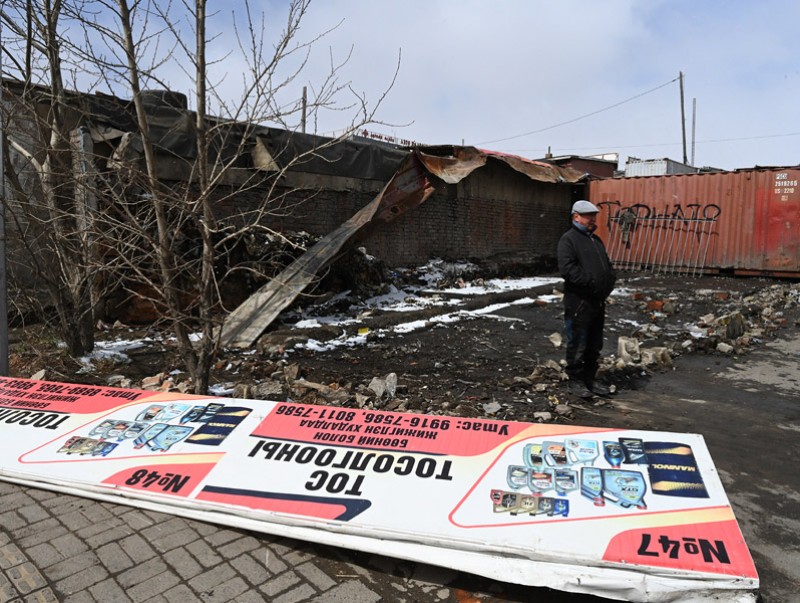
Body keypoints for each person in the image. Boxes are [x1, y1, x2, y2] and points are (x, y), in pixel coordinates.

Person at [557, 200, 617, 398]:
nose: (592, 219)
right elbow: (568, 269)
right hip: (579, 302)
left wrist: (609, 281)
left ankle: (590, 379)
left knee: (594, 344)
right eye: (588, 215)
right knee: (578, 343)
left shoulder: (595, 240)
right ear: (576, 216)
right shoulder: (569, 240)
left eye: (593, 215)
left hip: (597, 301)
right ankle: (575, 381)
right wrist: (591, 283)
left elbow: (606, 266)